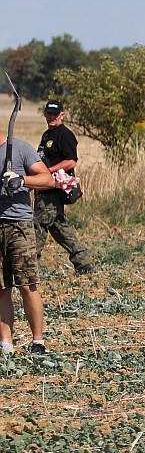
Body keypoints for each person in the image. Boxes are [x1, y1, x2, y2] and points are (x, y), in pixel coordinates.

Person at [0, 126, 59, 354]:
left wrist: (22, 181)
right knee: (2, 288)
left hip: (19, 224)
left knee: (27, 284)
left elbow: (48, 180)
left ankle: (38, 341)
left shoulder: (20, 148)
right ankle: (6, 343)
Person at [34, 100, 95, 276]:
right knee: (59, 227)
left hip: (54, 189)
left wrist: (46, 172)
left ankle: (27, 266)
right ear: (45, 114)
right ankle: (83, 263)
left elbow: (71, 161)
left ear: (62, 115)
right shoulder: (47, 135)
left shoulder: (64, 134)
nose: (52, 117)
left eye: (55, 114)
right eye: (49, 113)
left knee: (37, 226)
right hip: (45, 188)